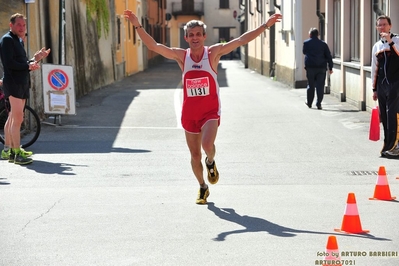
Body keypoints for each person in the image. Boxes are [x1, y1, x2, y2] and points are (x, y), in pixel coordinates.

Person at [124, 10, 282, 204]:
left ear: (204, 36)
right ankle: (202, 187)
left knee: (207, 146)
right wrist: (137, 24)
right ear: (186, 38)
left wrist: (265, 25)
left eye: (198, 34)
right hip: (190, 113)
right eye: (191, 35)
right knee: (194, 154)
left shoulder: (213, 53)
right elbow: (154, 46)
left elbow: (241, 40)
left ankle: (211, 162)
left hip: (210, 111)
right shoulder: (182, 56)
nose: (195, 38)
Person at [0, 13, 50, 164]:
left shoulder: (18, 40)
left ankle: (8, 149)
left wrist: (35, 59)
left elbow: (22, 64)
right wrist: (28, 65)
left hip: (21, 82)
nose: (22, 28)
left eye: (24, 25)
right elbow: (10, 64)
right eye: (19, 25)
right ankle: (16, 153)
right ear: (11, 25)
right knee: (18, 119)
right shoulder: (7, 40)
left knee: (13, 118)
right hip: (14, 83)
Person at [371, 15, 399, 158]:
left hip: (396, 84)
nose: (382, 27)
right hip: (382, 86)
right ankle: (387, 144)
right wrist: (374, 88)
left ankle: (395, 146)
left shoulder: (397, 40)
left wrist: (391, 42)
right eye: (379, 25)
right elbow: (374, 67)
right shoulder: (377, 46)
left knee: (393, 115)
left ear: (390, 26)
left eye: (384, 24)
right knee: (385, 116)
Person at [303, 28, 333, 110]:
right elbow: (328, 56)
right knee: (320, 86)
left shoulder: (306, 43)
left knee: (311, 85)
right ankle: (318, 103)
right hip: (321, 68)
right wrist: (330, 67)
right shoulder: (323, 44)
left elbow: (304, 52)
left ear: (310, 34)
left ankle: (309, 102)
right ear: (318, 35)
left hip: (310, 67)